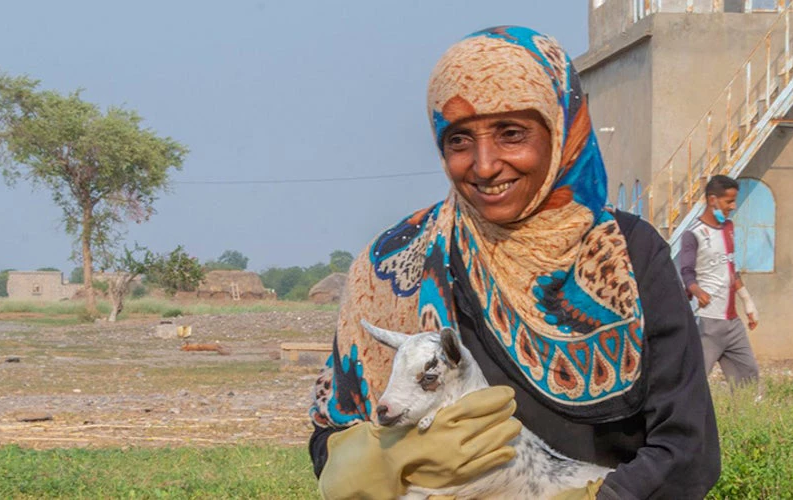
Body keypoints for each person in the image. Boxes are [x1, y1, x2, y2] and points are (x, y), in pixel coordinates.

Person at [308, 26, 720, 499]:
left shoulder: (627, 253)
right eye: (460, 140)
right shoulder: (393, 265)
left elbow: (686, 448)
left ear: (561, 131)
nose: (484, 165)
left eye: (511, 133)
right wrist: (382, 457)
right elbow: (329, 439)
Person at [679, 175, 760, 387]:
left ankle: (744, 419)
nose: (733, 206)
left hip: (733, 323)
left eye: (734, 201)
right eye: (729, 201)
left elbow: (731, 269)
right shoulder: (693, 234)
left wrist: (748, 302)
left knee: (748, 378)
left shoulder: (729, 228)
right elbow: (686, 272)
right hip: (708, 321)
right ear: (713, 200)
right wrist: (697, 291)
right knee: (694, 382)